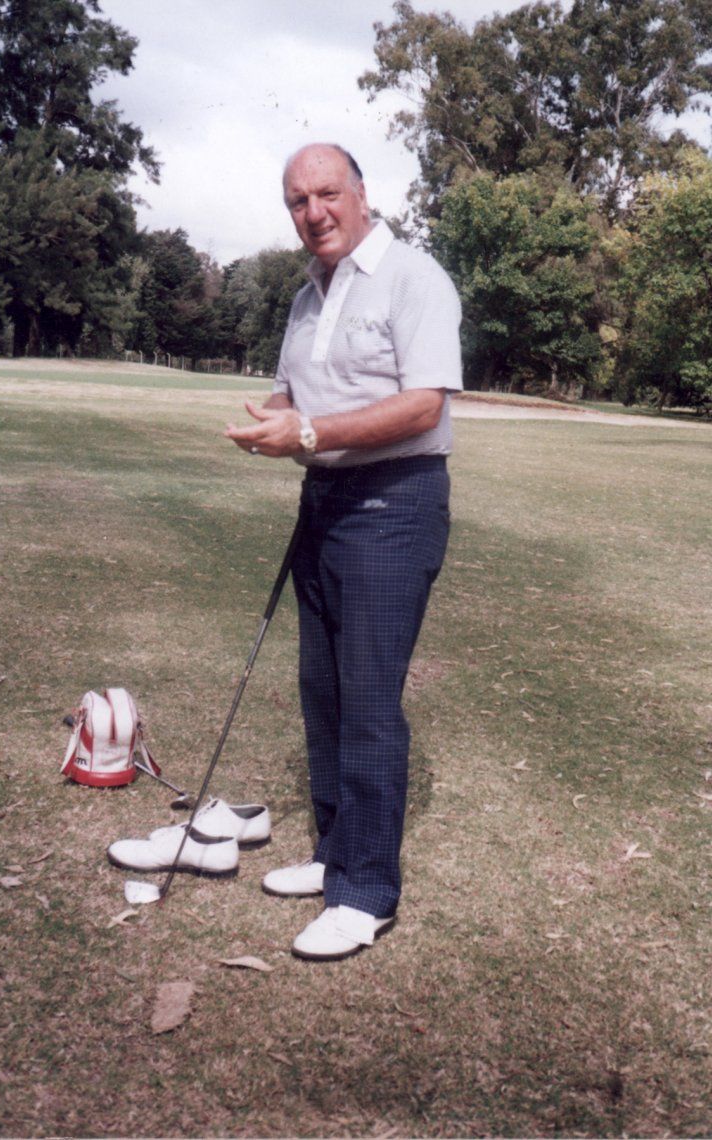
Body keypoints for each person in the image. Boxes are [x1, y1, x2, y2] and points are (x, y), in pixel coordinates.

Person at [225, 142, 462, 961]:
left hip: (393, 503)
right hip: (322, 501)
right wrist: (274, 420)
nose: (313, 212)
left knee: (366, 700)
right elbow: (297, 394)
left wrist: (309, 432)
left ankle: (365, 893)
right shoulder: (306, 295)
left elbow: (424, 405)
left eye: (326, 194)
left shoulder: (414, 278)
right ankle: (334, 854)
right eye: (297, 201)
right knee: (322, 691)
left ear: (361, 194)